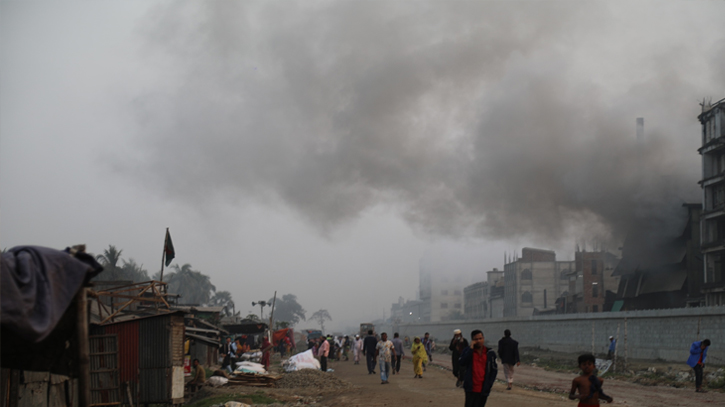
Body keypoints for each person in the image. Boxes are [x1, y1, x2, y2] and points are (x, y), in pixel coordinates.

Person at [459, 330, 497, 407]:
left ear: (483, 338)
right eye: (476, 339)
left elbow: (494, 370)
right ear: (472, 340)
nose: (479, 341)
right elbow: (462, 362)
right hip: (471, 388)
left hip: (483, 388)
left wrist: (489, 384)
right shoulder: (467, 351)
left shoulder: (490, 353)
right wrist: (471, 349)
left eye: (480, 338)